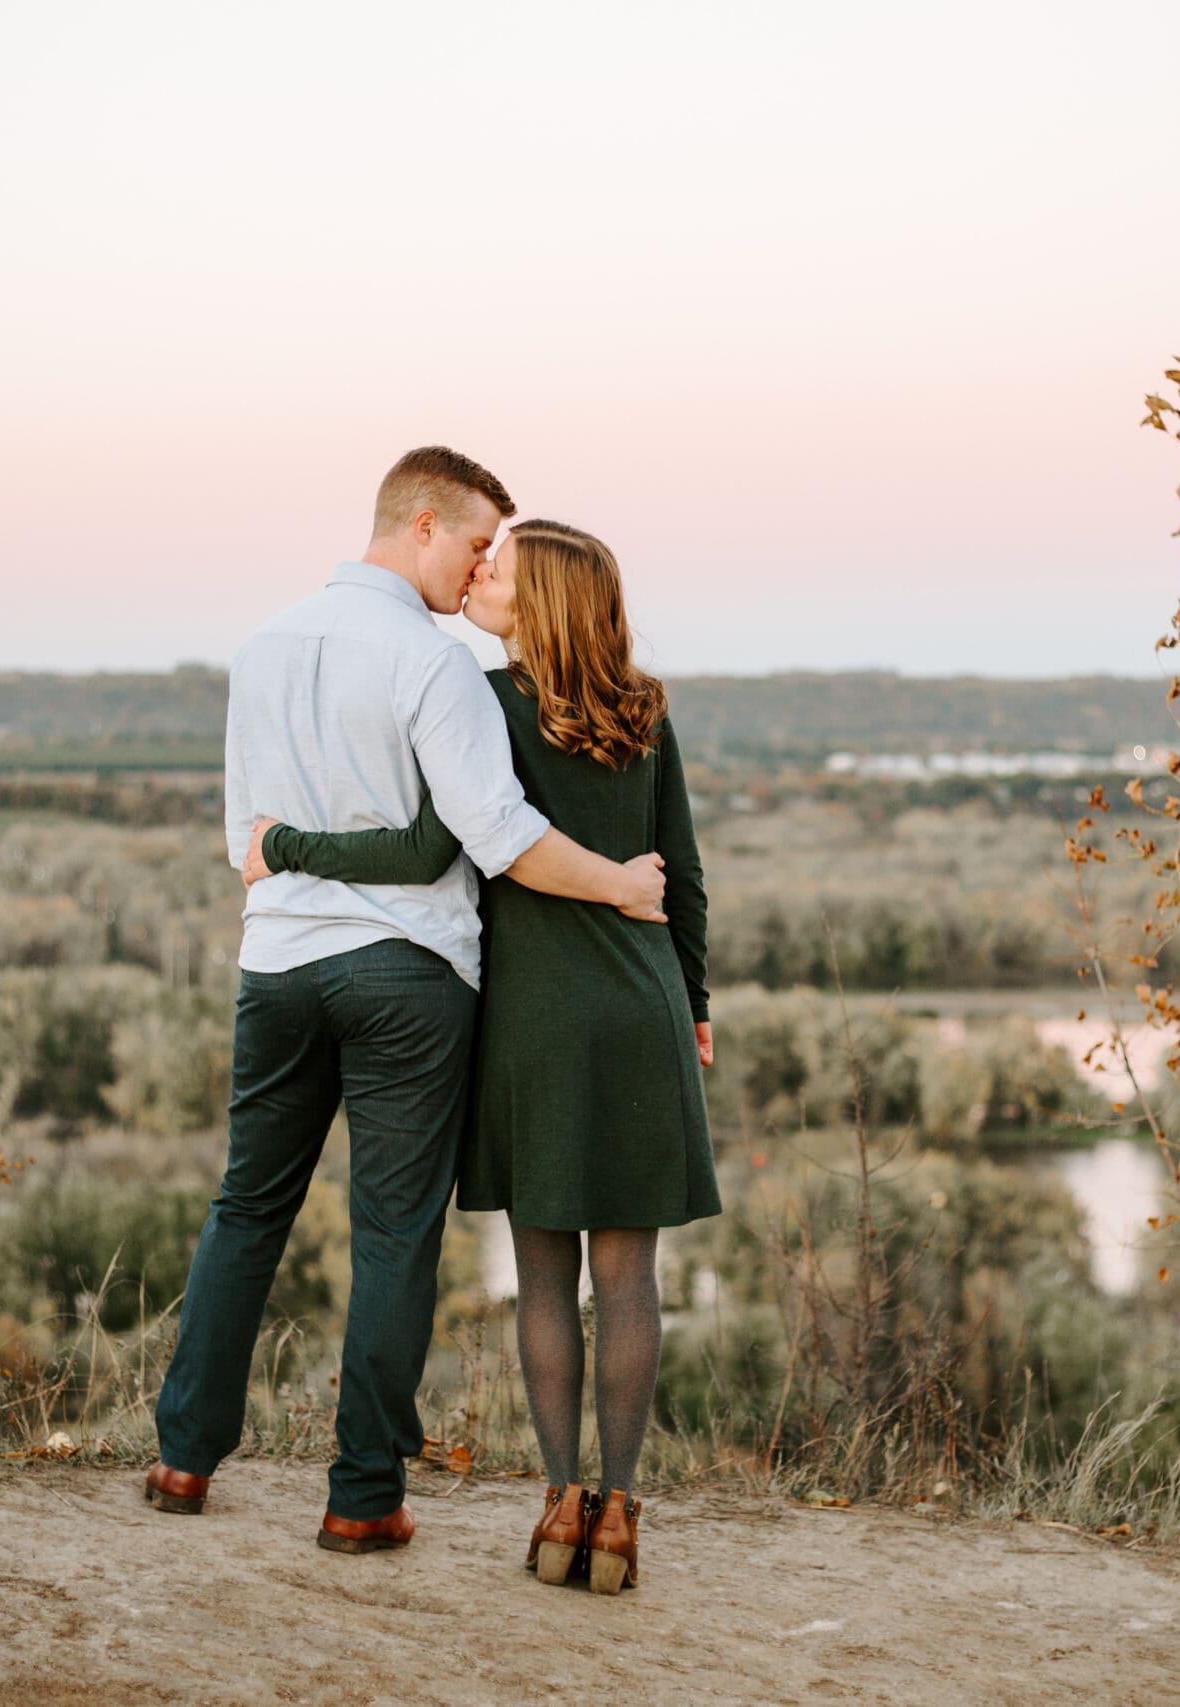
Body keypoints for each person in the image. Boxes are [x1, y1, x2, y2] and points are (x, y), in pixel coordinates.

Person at [145, 449, 668, 1558]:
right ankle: (362, 1495)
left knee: (245, 1208)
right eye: (477, 544)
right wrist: (623, 883)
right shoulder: (431, 666)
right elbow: (492, 838)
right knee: (392, 1233)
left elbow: (248, 841)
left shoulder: (261, 649)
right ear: (422, 523)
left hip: (279, 967)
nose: (484, 565)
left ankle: (182, 1458)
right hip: (408, 979)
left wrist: (293, 856)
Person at [247, 517, 715, 1595]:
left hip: (533, 1024)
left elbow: (425, 851)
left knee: (544, 1271)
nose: (479, 574)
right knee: (629, 1273)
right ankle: (620, 1516)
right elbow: (679, 874)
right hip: (639, 1008)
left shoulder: (486, 705)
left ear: (540, 597)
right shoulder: (644, 711)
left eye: (499, 568)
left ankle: (558, 1505)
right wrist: (691, 1004)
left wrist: (283, 848)